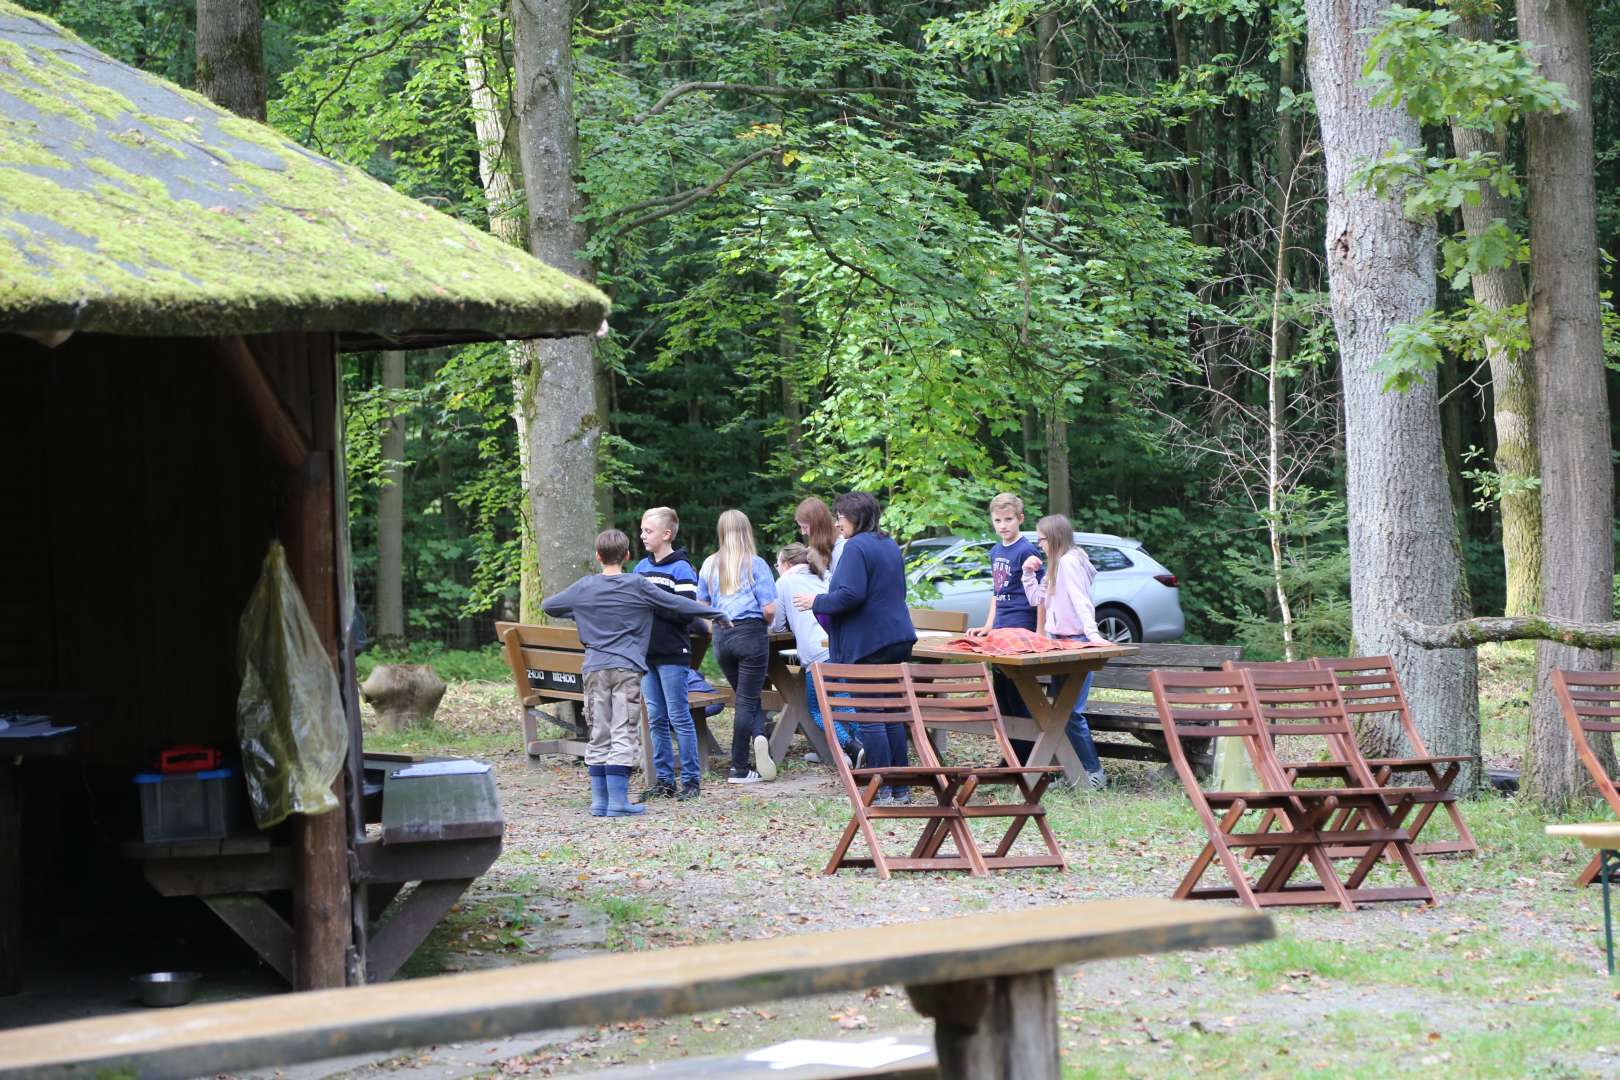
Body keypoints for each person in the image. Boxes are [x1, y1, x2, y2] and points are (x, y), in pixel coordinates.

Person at [542, 529, 725, 817]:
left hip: (594, 668)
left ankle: (599, 802)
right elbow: (676, 603)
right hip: (626, 668)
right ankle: (618, 802)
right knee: (623, 730)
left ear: (597, 556)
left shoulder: (585, 587)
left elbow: (549, 606)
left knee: (599, 730)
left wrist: (582, 611)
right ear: (627, 556)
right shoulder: (637, 585)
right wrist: (715, 614)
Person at [796, 492, 916, 805]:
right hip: (898, 638)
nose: (837, 522)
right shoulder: (888, 544)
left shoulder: (855, 547)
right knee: (891, 714)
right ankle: (899, 788)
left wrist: (816, 601)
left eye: (841, 516)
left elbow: (850, 595)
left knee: (870, 715)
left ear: (856, 517)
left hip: (869, 643)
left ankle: (880, 789)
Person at [1020, 513, 1108, 790]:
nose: (1040, 545)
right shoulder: (1055, 564)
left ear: (1054, 538)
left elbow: (1082, 602)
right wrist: (1027, 574)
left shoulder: (1070, 562)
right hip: (1059, 642)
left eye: (1042, 540)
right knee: (1057, 712)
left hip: (1077, 642)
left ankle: (1094, 773)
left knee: (1070, 713)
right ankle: (1071, 771)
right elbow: (1037, 599)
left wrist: (1093, 636)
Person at [697, 509, 779, 784]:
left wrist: (714, 627)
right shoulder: (756, 564)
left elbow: (701, 605)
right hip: (750, 634)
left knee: (747, 696)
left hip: (722, 637)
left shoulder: (709, 564)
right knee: (746, 700)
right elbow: (769, 609)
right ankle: (740, 768)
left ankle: (759, 735)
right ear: (746, 531)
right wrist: (769, 619)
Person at [632, 506, 703, 801]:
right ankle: (663, 779)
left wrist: (653, 605)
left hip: (673, 653)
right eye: (642, 530)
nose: (642, 536)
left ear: (666, 534)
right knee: (657, 718)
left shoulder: (681, 569)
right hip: (646, 655)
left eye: (648, 531)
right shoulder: (639, 569)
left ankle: (690, 780)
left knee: (679, 716)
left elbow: (685, 610)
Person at [770, 543, 862, 768]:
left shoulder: (785, 582)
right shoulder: (826, 576)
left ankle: (853, 747)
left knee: (818, 709)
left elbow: (777, 625)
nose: (777, 569)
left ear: (787, 564)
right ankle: (861, 746)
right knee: (843, 701)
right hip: (842, 646)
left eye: (777, 564)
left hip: (817, 654)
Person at [967, 493, 1044, 762]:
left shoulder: (1027, 550)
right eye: (998, 520)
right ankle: (1010, 753)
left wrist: (1040, 632)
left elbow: (1040, 594)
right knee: (1002, 695)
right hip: (1000, 630)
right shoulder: (995, 551)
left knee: (1020, 694)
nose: (1003, 525)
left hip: (1021, 628)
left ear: (1020, 519)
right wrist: (989, 625)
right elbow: (997, 592)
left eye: (1009, 519)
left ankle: (1027, 756)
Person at [795, 496, 845, 576]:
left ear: (818, 525)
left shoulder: (842, 548)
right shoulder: (827, 546)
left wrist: (820, 566)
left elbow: (839, 585)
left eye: (805, 527)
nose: (803, 532)